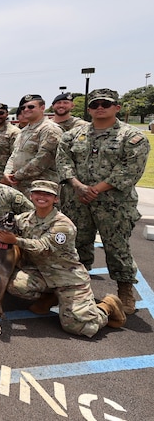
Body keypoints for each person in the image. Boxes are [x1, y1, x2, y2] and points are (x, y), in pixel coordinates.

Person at [57, 88, 150, 315]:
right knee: (77, 245)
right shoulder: (73, 135)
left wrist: (95, 189)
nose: (100, 107)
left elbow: (129, 170)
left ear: (117, 108)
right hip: (77, 201)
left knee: (117, 248)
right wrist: (78, 186)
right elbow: (63, 161)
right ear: (89, 109)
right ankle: (78, 289)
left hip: (115, 205)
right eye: (95, 104)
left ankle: (125, 291)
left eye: (105, 104)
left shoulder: (132, 137)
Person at [0, 180, 126, 336]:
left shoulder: (63, 225)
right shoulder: (23, 219)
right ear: (31, 196)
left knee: (79, 327)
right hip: (41, 273)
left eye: (47, 194)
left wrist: (15, 240)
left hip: (67, 277)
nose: (41, 197)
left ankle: (106, 307)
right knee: (15, 285)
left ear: (56, 199)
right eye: (37, 193)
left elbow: (43, 246)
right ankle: (50, 297)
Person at [3, 94, 62, 194]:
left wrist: (17, 175)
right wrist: (7, 172)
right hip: (20, 185)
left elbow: (43, 159)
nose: (26, 109)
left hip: (42, 188)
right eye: (23, 107)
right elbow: (15, 154)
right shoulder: (24, 130)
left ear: (42, 108)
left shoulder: (50, 129)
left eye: (31, 107)